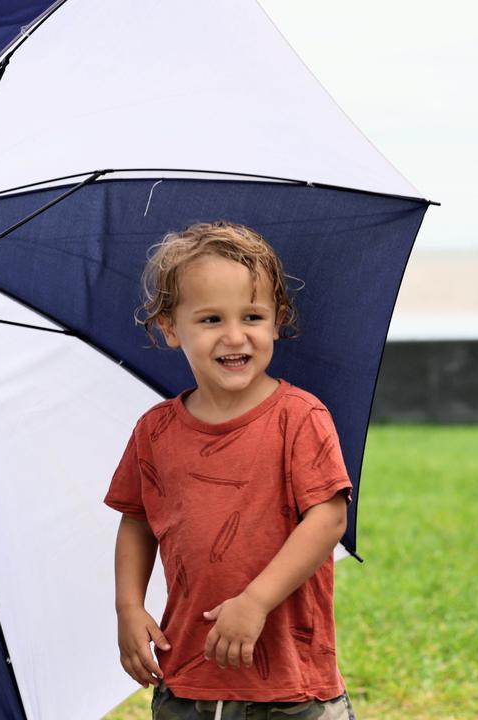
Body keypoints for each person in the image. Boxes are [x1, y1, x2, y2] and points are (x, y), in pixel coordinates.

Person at [105, 221, 356, 719]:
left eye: (253, 316)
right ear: (170, 328)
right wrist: (128, 608)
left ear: (278, 320)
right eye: (211, 319)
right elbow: (136, 521)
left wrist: (255, 602)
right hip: (188, 681)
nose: (235, 335)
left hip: (292, 686)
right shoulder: (155, 431)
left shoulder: (300, 417)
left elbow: (327, 520)